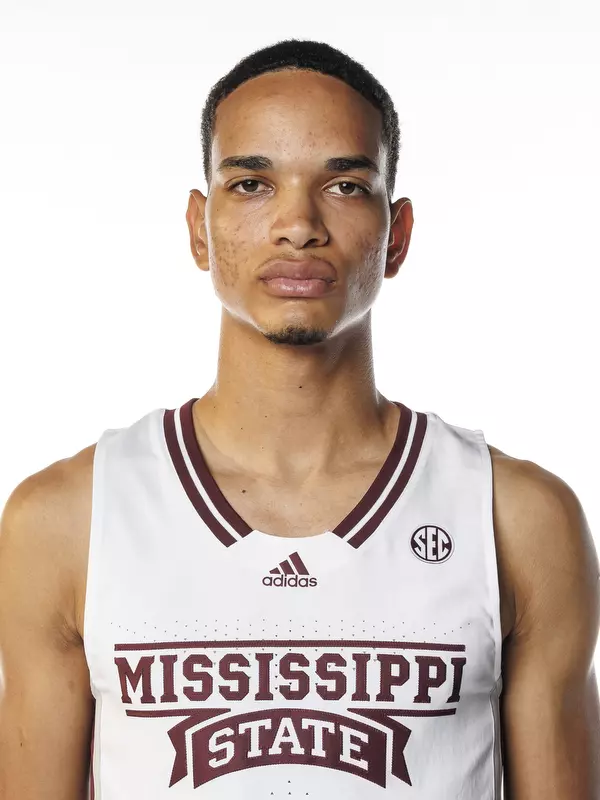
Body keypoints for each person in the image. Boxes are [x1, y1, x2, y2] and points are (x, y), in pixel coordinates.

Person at [0, 38, 599, 800]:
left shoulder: (516, 517)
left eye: (345, 186)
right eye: (251, 183)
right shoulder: (66, 519)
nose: (297, 224)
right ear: (198, 225)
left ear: (399, 234)